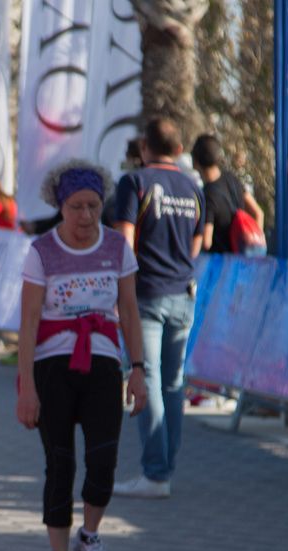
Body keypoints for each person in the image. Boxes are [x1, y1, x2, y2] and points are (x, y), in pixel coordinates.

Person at [15, 160, 149, 551]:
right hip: (52, 367)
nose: (86, 216)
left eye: (93, 206)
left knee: (104, 461)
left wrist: (138, 371)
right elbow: (28, 322)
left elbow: (129, 311)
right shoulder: (42, 251)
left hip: (103, 364)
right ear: (60, 206)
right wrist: (26, 387)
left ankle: (89, 537)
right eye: (76, 207)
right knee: (60, 464)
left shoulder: (117, 247)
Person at [112, 118, 204, 499]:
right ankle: (165, 468)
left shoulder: (134, 181)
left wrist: (120, 293)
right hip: (183, 292)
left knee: (146, 377)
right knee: (172, 383)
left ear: (144, 147)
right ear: (179, 150)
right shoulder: (193, 187)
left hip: (146, 293)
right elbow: (199, 242)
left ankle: (155, 473)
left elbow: (124, 241)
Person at [190, 134, 266, 255]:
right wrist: (254, 244)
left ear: (195, 161)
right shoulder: (232, 179)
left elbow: (206, 242)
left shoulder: (208, 194)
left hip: (222, 262)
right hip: (241, 261)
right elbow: (258, 213)